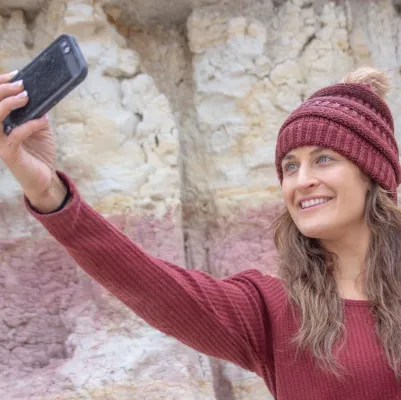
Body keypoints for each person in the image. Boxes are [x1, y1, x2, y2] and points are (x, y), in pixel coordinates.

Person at [0, 66, 400, 400]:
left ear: (373, 174)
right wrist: (47, 192)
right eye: (290, 166)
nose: (302, 180)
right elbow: (149, 284)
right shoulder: (274, 311)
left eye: (324, 159)